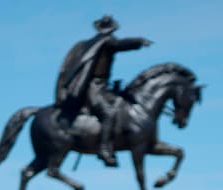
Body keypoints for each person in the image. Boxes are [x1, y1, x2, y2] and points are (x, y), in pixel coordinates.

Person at [54, 15, 152, 167]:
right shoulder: (106, 41)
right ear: (110, 29)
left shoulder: (89, 44)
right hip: (94, 87)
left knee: (121, 106)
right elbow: (121, 44)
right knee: (108, 113)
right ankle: (104, 148)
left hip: (101, 86)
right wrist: (138, 41)